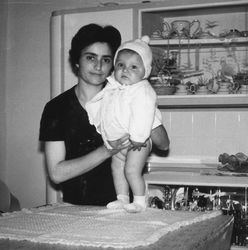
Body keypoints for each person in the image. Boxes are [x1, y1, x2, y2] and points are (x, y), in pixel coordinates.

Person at [39, 23, 169, 207]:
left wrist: (150, 115)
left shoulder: (131, 96)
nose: (98, 65)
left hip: (125, 209)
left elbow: (164, 145)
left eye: (106, 59)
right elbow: (57, 174)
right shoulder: (56, 108)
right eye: (91, 57)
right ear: (77, 61)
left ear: (112, 65)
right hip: (76, 209)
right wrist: (108, 150)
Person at [86, 36, 169, 212]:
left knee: (131, 171)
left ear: (145, 71)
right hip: (118, 144)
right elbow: (106, 113)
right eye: (120, 65)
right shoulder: (112, 88)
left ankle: (140, 201)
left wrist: (139, 137)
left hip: (138, 141)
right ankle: (122, 198)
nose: (125, 70)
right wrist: (108, 139)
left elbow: (145, 113)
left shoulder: (142, 90)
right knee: (117, 170)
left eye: (133, 67)